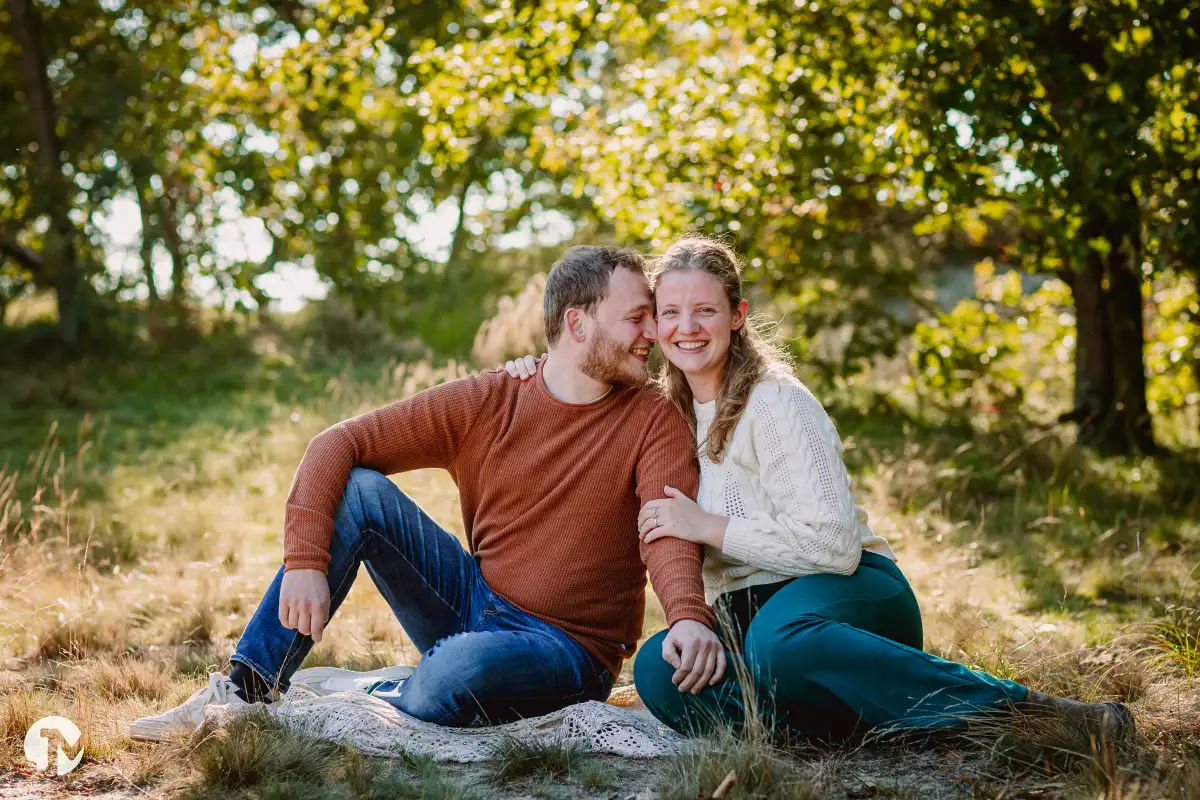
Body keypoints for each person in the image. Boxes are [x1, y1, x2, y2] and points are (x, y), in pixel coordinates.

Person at [506, 234, 1134, 744]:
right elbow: (571, 380)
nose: (686, 328)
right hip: (751, 614)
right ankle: (838, 734)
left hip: (851, 597)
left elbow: (835, 547)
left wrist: (710, 527)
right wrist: (529, 372)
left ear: (737, 316)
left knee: (780, 643)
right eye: (669, 313)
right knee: (659, 671)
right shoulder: (662, 412)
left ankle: (1032, 715)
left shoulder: (776, 402)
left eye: (705, 311)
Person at [129, 246, 725, 740]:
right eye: (636, 318)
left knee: (457, 669)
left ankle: (398, 690)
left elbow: (667, 529)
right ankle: (247, 689)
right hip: (475, 597)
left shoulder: (653, 419)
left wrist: (685, 618)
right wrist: (305, 560)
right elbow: (336, 443)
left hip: (566, 649)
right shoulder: (493, 398)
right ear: (577, 323)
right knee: (360, 490)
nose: (653, 333)